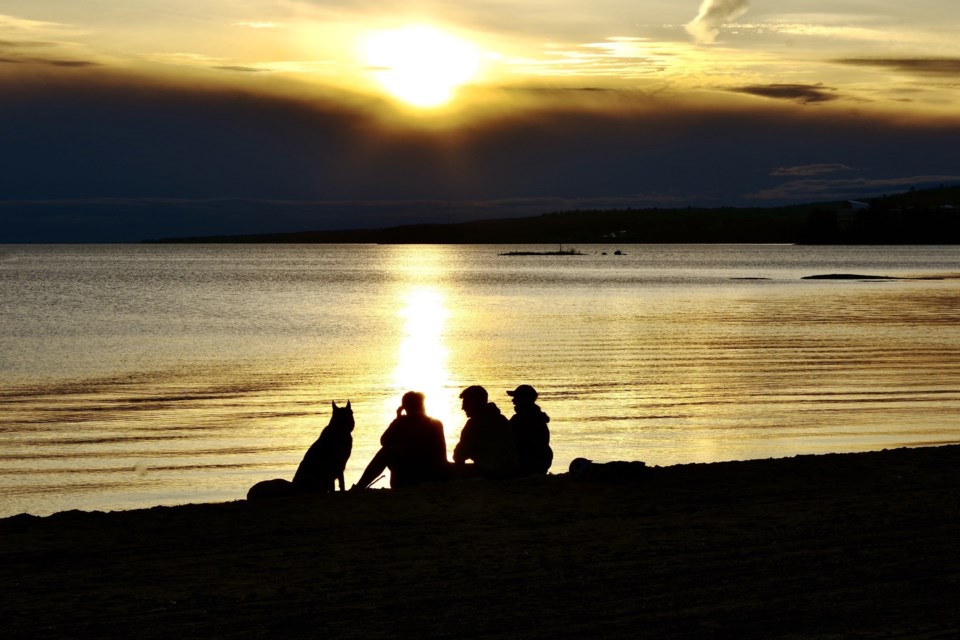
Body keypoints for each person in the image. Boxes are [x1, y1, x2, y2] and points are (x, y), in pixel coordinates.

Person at [354, 391, 449, 489]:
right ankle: (360, 486)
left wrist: (397, 419)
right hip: (429, 472)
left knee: (386, 452)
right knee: (389, 451)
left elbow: (384, 441)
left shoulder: (402, 423)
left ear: (405, 408)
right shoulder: (436, 423)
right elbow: (442, 455)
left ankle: (360, 486)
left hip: (415, 475)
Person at [452, 385, 518, 480]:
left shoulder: (474, 423)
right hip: (510, 470)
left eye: (465, 403)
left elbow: (459, 455)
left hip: (490, 472)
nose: (463, 407)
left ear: (474, 403)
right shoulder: (501, 419)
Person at [507, 384, 553, 475]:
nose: (513, 401)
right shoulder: (537, 416)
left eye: (516, 397)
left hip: (529, 462)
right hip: (543, 461)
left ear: (523, 400)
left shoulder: (520, 419)